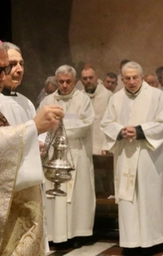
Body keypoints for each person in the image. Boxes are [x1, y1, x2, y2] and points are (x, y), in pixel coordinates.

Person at [100, 61, 163, 252]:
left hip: (149, 159)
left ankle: (154, 240)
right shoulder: (116, 98)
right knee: (128, 199)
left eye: (135, 77)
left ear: (142, 77)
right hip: (125, 155)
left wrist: (138, 130)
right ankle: (131, 242)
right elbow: (106, 123)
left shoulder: (157, 96)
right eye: (127, 78)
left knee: (150, 198)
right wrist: (120, 131)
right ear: (121, 79)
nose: (131, 81)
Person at [0, 43, 64, 256]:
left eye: (21, 64)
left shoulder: (26, 102)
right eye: (9, 65)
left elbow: (29, 134)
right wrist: (31, 130)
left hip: (27, 184)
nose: (17, 69)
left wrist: (39, 141)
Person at [38, 64, 95, 248]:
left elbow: (85, 124)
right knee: (54, 197)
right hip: (53, 155)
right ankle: (55, 234)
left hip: (77, 154)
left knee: (77, 197)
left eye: (68, 82)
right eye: (61, 81)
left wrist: (59, 127)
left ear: (75, 81)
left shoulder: (83, 100)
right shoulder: (48, 101)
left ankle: (77, 233)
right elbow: (40, 125)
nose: (64, 85)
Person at [80, 66, 113, 154]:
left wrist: (106, 146)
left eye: (91, 77)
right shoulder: (78, 97)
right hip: (83, 146)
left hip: (103, 146)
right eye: (85, 78)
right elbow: (73, 118)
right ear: (81, 81)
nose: (88, 81)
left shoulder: (108, 96)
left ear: (97, 78)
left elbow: (112, 122)